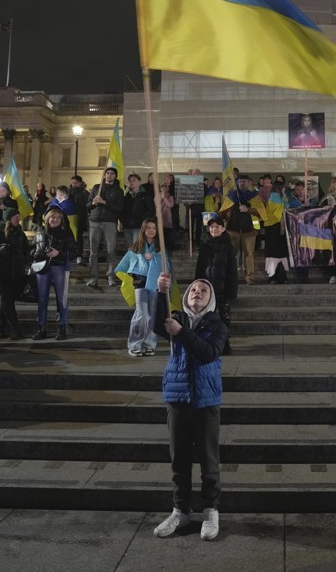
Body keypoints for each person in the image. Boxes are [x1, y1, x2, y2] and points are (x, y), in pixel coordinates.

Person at [151, 273, 226, 541]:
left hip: (206, 400)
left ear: (210, 299)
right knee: (179, 459)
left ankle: (210, 510)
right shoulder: (176, 318)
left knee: (209, 460)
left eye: (203, 290)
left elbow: (207, 353)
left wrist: (181, 333)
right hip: (177, 397)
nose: (197, 292)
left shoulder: (218, 326)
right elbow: (158, 326)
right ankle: (180, 510)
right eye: (193, 289)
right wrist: (161, 293)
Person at [115, 218, 171, 356]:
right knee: (142, 314)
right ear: (143, 230)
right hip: (140, 284)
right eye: (149, 228)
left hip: (155, 285)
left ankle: (149, 343)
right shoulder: (136, 247)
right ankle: (134, 344)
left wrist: (154, 258)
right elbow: (127, 265)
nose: (151, 230)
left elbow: (166, 266)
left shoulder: (160, 248)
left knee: (153, 314)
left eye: (154, 228)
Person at [31, 207, 79, 340]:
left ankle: (62, 327)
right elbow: (32, 248)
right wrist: (36, 255)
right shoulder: (40, 231)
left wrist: (59, 253)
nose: (55, 220)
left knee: (61, 299)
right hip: (42, 268)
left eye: (58, 217)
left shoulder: (66, 233)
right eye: (53, 217)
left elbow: (75, 251)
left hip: (59, 267)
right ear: (47, 218)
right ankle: (41, 328)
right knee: (41, 299)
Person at [0, 208, 30, 340]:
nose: (18, 219)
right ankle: (16, 330)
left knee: (7, 299)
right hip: (1, 272)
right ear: (8, 218)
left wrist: (27, 260)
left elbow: (25, 249)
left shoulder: (20, 232)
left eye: (18, 216)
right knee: (8, 300)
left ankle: (1, 328)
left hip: (17, 272)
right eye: (16, 216)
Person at [195, 214, 237, 354]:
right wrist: (197, 286)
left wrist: (231, 290)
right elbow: (200, 267)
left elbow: (232, 270)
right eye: (212, 227)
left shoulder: (228, 246)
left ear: (223, 228)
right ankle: (210, 343)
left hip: (222, 288)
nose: (214, 229)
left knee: (224, 317)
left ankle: (225, 343)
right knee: (207, 317)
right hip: (207, 288)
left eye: (217, 227)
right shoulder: (205, 245)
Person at [86, 167, 125, 287]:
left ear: (115, 176)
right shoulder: (96, 188)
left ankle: (111, 277)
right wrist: (93, 203)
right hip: (94, 222)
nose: (109, 175)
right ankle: (93, 278)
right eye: (107, 173)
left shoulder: (118, 191)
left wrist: (104, 202)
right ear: (104, 176)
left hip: (109, 223)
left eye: (112, 173)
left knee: (111, 251)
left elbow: (119, 208)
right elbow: (87, 205)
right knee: (93, 252)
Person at [221, 175, 258, 284]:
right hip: (233, 231)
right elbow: (223, 211)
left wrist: (249, 209)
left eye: (244, 181)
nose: (242, 183)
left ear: (249, 183)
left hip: (249, 231)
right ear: (237, 183)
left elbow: (261, 212)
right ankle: (230, 278)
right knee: (231, 255)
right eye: (240, 181)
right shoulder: (231, 196)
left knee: (249, 255)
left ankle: (250, 278)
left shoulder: (254, 197)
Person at [122, 174, 154, 247]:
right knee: (130, 248)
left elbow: (151, 210)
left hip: (139, 225)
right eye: (130, 181)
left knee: (136, 247)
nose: (131, 182)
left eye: (134, 180)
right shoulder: (126, 196)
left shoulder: (145, 195)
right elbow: (122, 209)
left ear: (139, 182)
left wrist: (142, 219)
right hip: (127, 225)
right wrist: (123, 220)